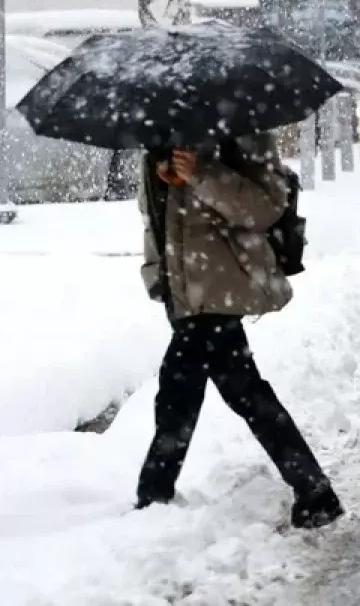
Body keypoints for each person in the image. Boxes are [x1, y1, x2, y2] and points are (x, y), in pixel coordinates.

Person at [135, 134, 343, 529]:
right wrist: (156, 275)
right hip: (183, 295)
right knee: (243, 391)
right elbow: (153, 221)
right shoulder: (159, 134)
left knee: (178, 390)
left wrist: (202, 174)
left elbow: (264, 207)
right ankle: (314, 490)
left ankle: (154, 495)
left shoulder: (240, 130)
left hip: (221, 286)